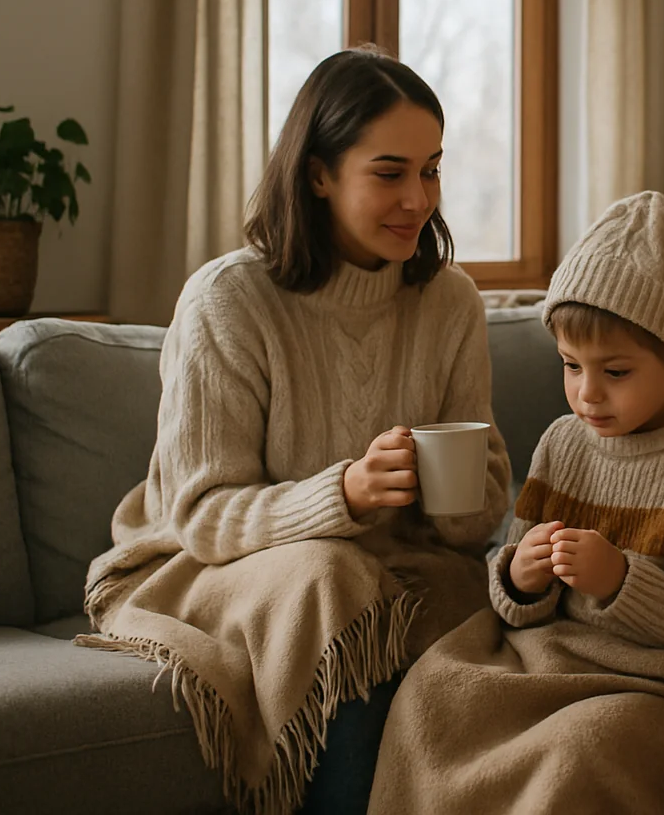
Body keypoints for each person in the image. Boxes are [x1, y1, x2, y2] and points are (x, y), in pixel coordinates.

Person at [77, 47, 512, 815]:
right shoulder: (229, 301)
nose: (419, 198)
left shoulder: (451, 304)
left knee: (471, 591)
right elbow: (201, 513)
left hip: (387, 567)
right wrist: (342, 493)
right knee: (331, 577)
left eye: (432, 169)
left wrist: (456, 498)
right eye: (390, 172)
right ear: (318, 174)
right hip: (199, 564)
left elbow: (473, 522)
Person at [367, 191, 664, 815]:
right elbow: (515, 583)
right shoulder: (561, 444)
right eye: (570, 365)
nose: (586, 394)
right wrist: (519, 577)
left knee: (587, 745)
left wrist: (621, 582)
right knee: (431, 691)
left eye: (615, 372)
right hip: (560, 657)